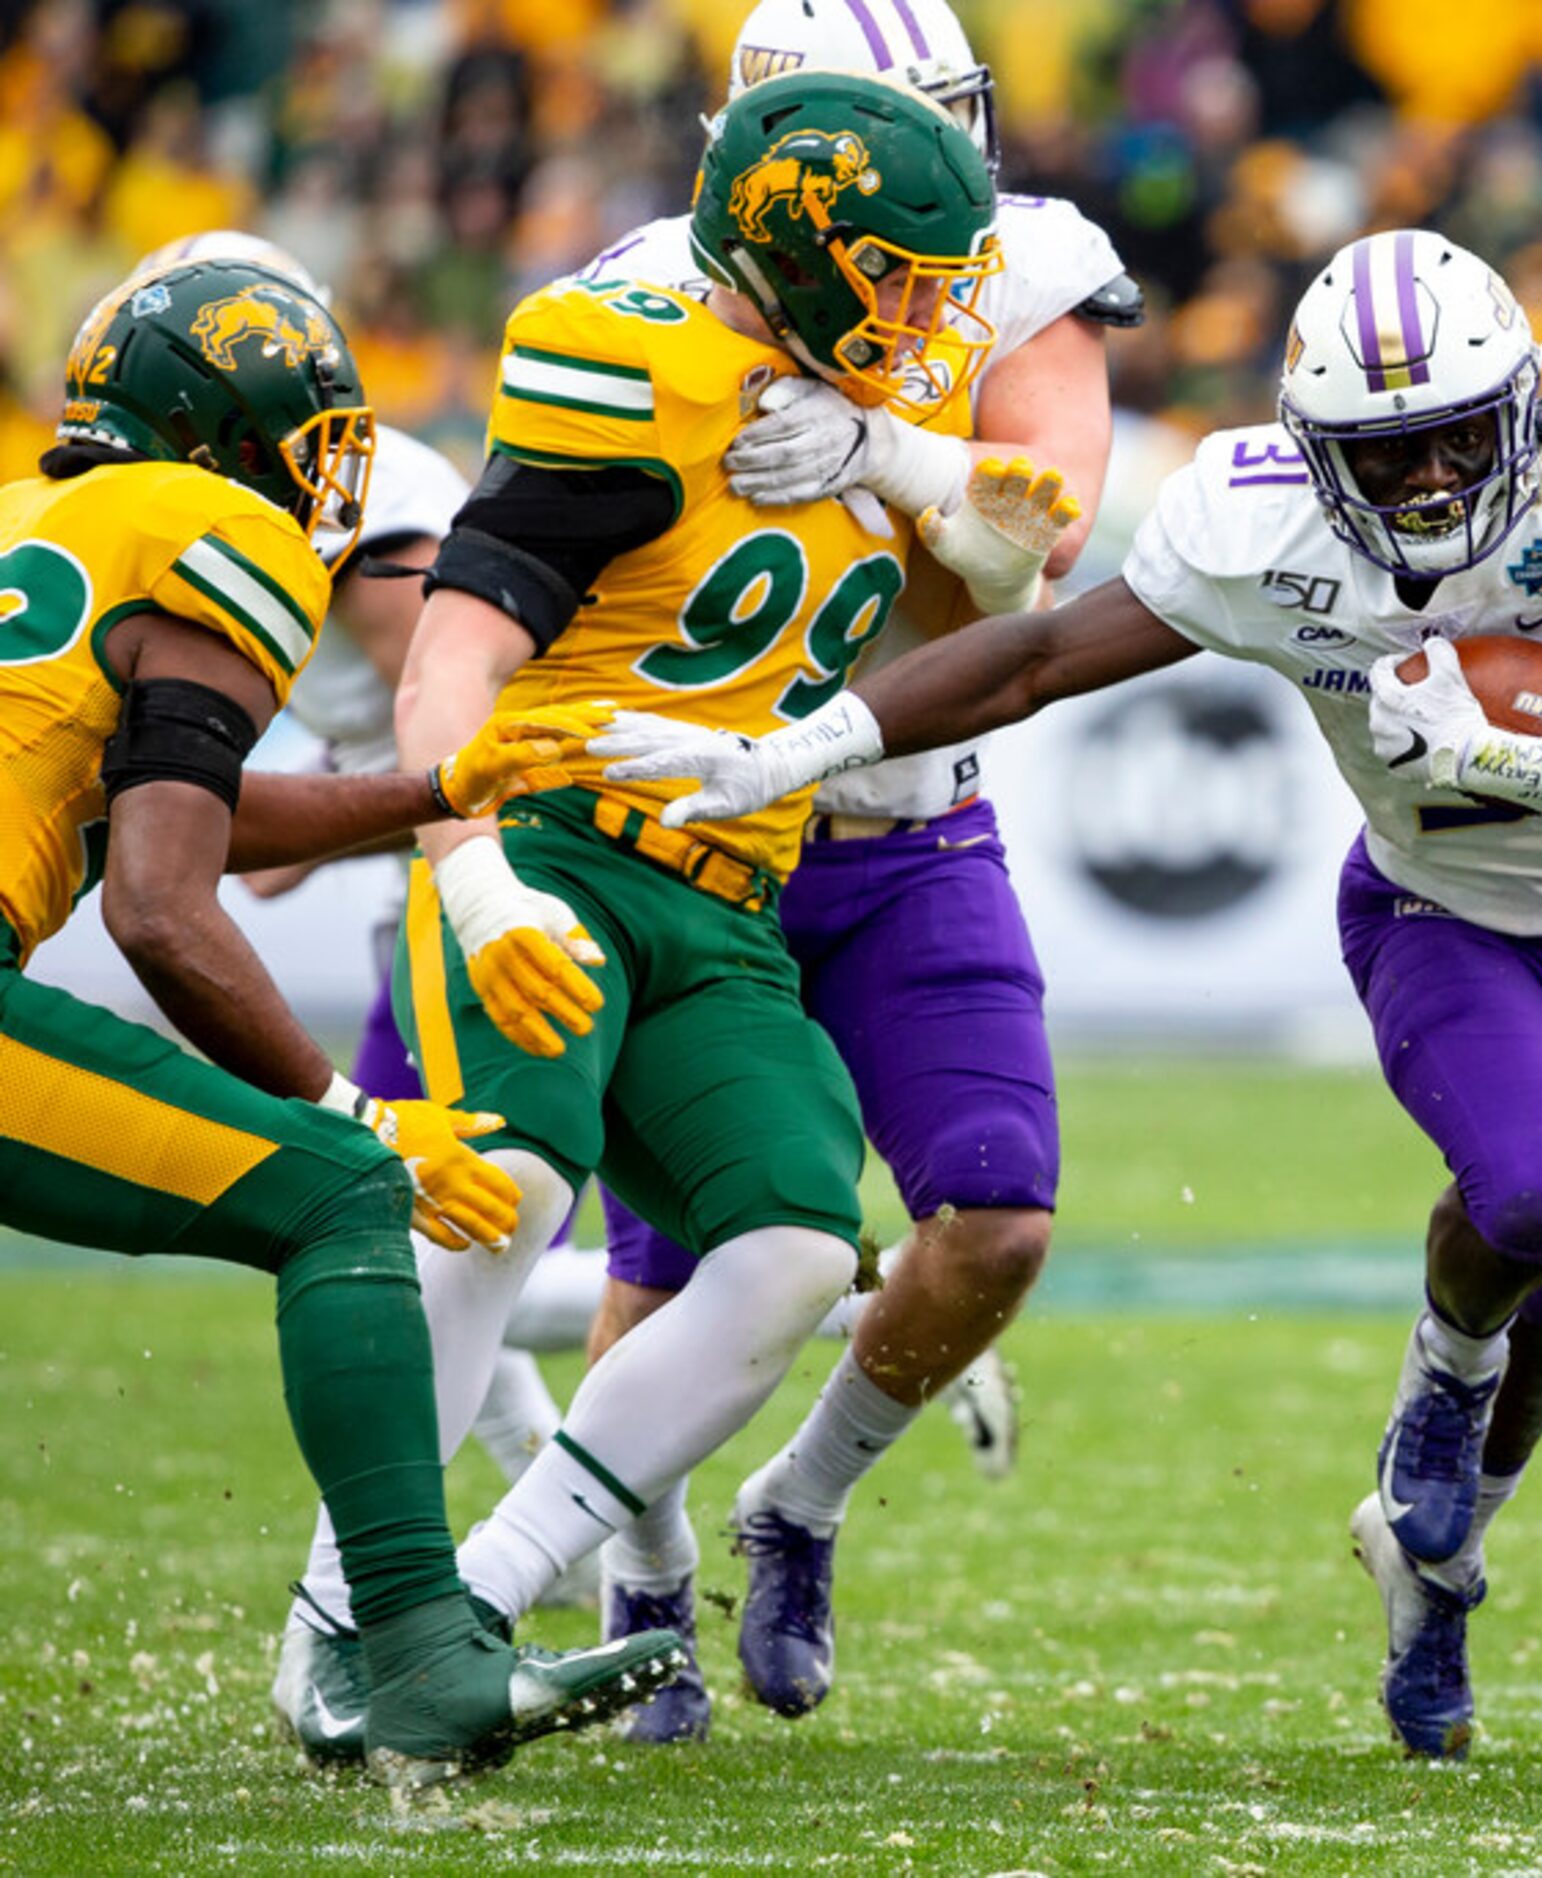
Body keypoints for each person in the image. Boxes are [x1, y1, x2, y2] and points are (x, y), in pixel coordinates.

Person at [582, 227, 1542, 1761]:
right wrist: (804, 744)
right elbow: (1032, 661)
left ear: (1523, 408)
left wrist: (1500, 754)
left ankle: (1437, 1554)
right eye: (1381, 456)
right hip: (1437, 913)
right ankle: (1438, 1438)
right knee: (1538, 1194)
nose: (1420, 488)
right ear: (1314, 449)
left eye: (1452, 443)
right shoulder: (1261, 525)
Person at [269, 71, 1067, 1763]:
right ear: (800, 247)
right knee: (506, 1188)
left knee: (790, 1246)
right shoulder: (625, 355)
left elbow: (1021, 566)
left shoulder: (886, 384)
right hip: (560, 832)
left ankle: (475, 1599)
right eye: (902, 278)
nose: (931, 318)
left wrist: (905, 449)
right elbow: (456, 652)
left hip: (734, 887)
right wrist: (470, 865)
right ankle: (343, 1618)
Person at [2, 254, 680, 1786]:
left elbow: (172, 809)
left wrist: (434, 789)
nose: (323, 473)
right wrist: (342, 1101)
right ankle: (421, 1650)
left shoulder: (38, 523)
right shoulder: (217, 528)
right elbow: (161, 903)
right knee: (351, 1194)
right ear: (230, 423)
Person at [556, 0, 1130, 1737]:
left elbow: (1039, 555)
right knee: (669, 1270)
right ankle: (637, 1570)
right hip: (703, 839)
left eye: (943, 125)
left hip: (902, 821)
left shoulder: (1020, 270)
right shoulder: (640, 296)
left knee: (997, 1216)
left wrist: (891, 447)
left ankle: (795, 1502)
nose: (925, 186)